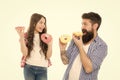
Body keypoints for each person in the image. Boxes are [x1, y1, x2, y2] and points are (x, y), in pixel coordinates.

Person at [59, 12, 108, 80]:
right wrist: (62, 49)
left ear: (95, 26)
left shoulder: (101, 46)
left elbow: (88, 68)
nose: (82, 27)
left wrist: (80, 47)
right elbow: (65, 62)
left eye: (85, 24)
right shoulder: (76, 40)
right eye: (82, 24)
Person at [15, 13, 53, 80]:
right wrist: (21, 37)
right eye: (41, 22)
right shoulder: (26, 36)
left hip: (42, 69)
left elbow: (48, 56)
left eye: (44, 23)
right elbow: (25, 53)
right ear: (34, 23)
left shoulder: (46, 37)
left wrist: (50, 45)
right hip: (29, 68)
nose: (43, 25)